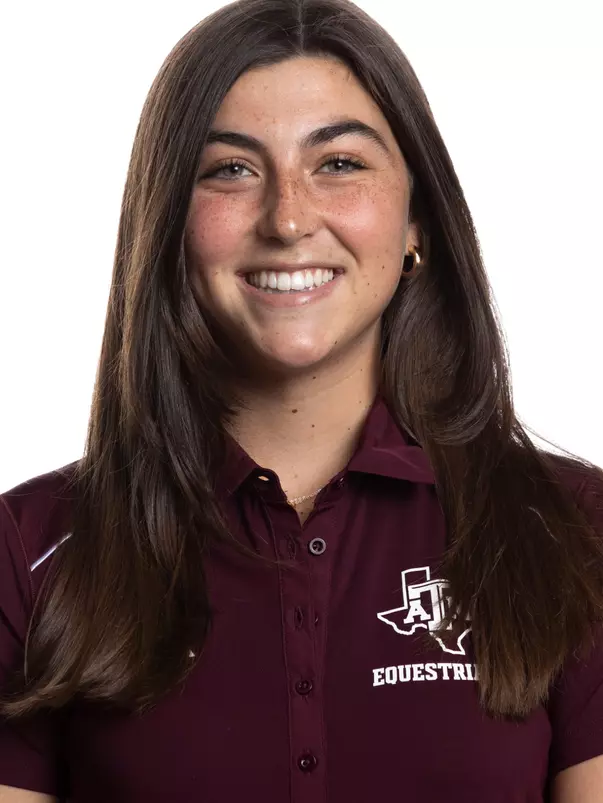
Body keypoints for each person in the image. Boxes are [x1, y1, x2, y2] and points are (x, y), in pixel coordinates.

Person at [1, 0, 602, 800]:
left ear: (416, 216)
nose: (288, 217)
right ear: (169, 224)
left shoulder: (572, 531)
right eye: (231, 169)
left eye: (340, 164)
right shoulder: (30, 549)